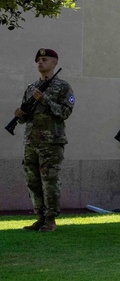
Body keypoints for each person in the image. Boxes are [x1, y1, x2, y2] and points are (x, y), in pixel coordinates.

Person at [18, 48, 74, 232]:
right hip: (31, 141)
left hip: (52, 141)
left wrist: (45, 99)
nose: (40, 63)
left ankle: (51, 219)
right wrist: (19, 115)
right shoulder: (31, 88)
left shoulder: (62, 87)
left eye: (44, 59)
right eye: (38, 60)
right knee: (33, 181)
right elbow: (26, 116)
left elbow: (65, 112)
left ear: (54, 63)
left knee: (49, 181)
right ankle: (40, 216)